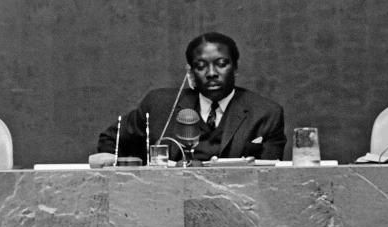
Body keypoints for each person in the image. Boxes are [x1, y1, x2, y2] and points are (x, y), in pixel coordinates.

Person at [96, 32, 286, 164]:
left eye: (221, 64)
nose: (212, 73)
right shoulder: (159, 105)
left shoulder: (266, 113)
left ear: (235, 67)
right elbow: (112, 139)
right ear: (192, 72)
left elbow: (269, 178)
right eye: (201, 66)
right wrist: (108, 161)